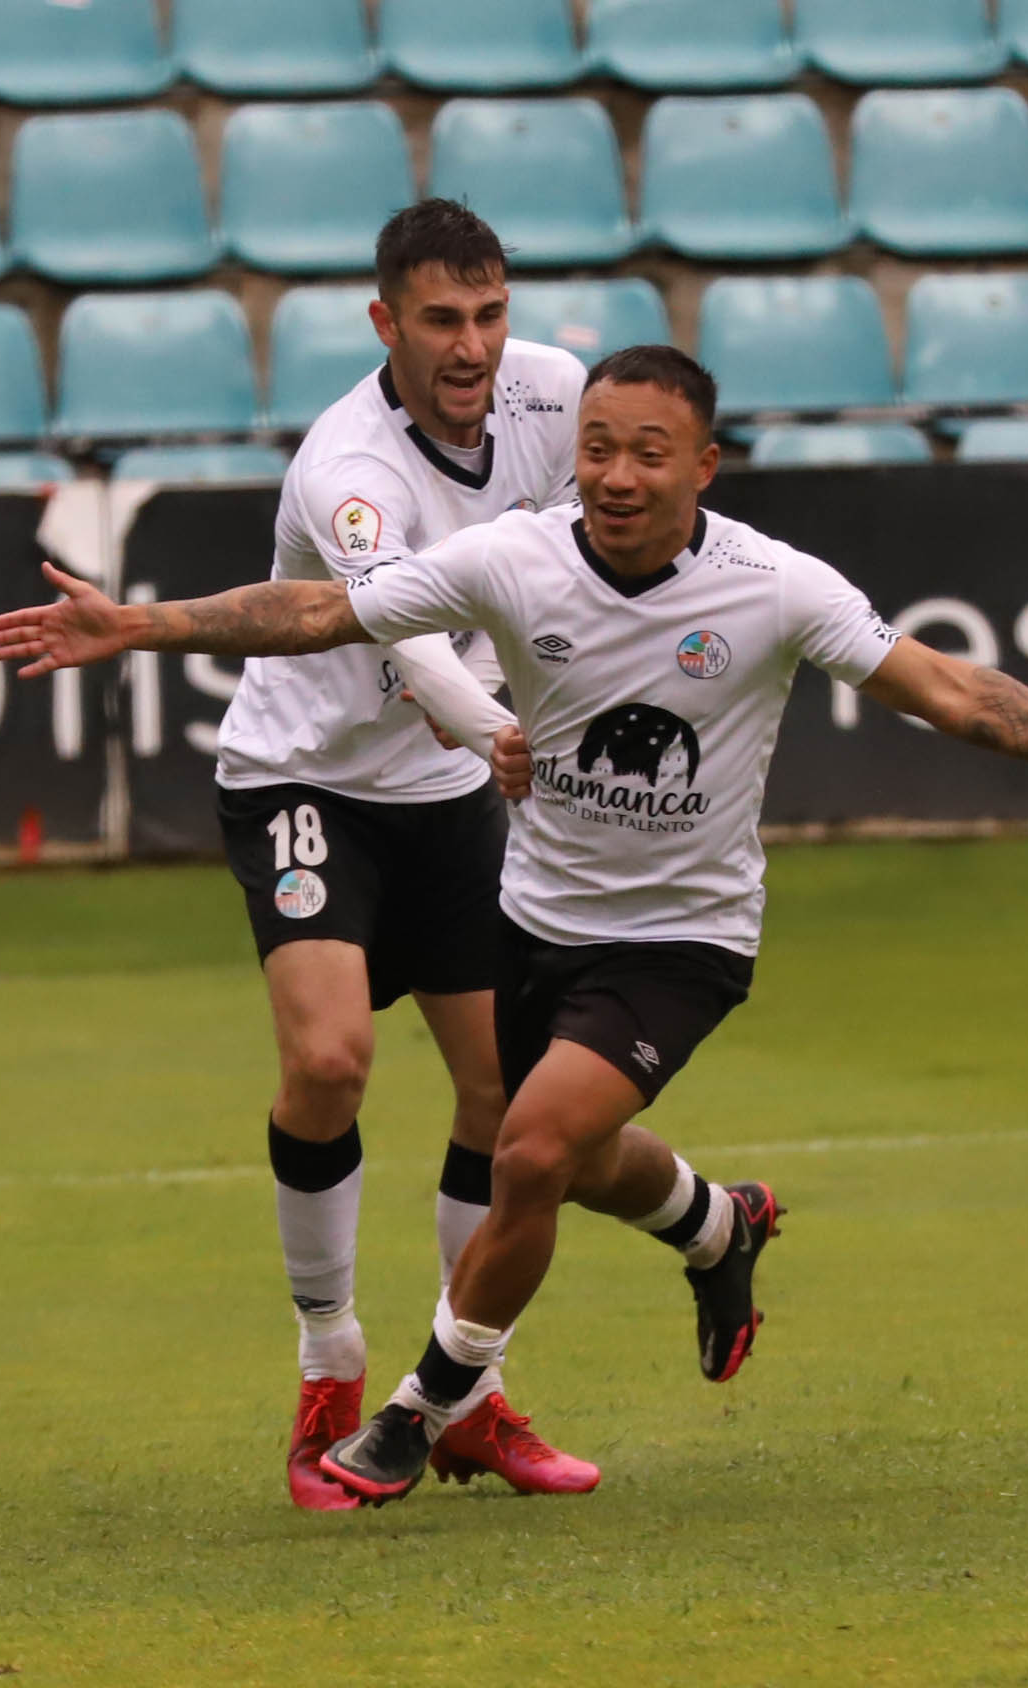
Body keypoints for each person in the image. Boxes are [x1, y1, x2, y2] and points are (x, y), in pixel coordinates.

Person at [0, 345, 1028, 1506]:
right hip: (536, 921)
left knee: (530, 1150)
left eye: (649, 451)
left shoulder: (771, 585)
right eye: (596, 445)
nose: (614, 472)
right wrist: (139, 624)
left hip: (683, 944)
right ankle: (719, 1221)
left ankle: (421, 1407)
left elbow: (943, 685)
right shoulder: (518, 557)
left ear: (703, 465)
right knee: (579, 1163)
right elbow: (325, 608)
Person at [198, 200, 600, 1509]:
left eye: (488, 314)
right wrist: (500, 726)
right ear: (386, 324)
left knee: (507, 1096)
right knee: (329, 1058)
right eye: (440, 320)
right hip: (304, 777)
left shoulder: (553, 396)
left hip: (448, 792)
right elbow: (404, 640)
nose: (470, 345)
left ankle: (464, 1398)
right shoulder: (349, 467)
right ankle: (327, 1362)